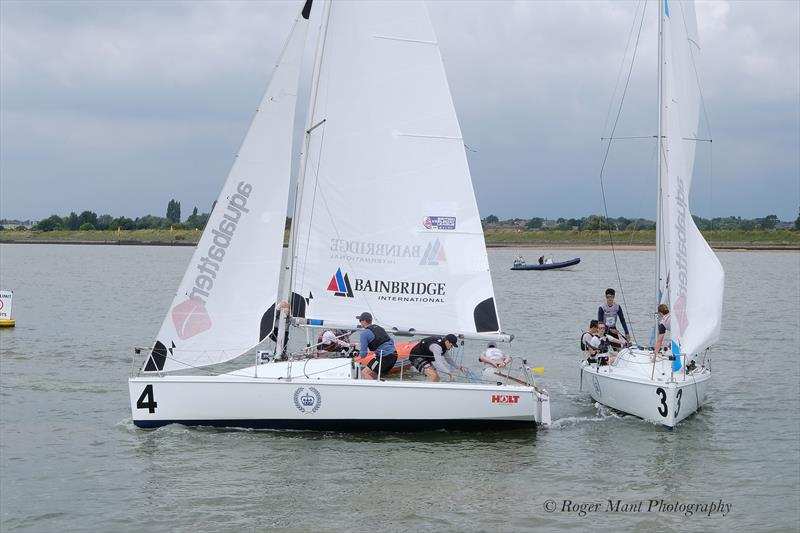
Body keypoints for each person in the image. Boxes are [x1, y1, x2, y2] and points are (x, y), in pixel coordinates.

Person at [356, 312, 397, 379]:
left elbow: (363, 354)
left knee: (364, 373)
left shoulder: (364, 334)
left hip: (384, 357)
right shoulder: (379, 328)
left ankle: (370, 389)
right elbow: (391, 341)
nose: (360, 322)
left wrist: (357, 357)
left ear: (364, 321)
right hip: (394, 355)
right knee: (373, 374)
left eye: (360, 320)